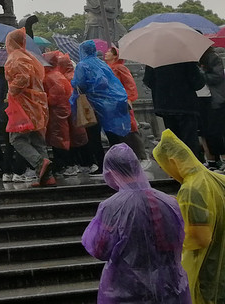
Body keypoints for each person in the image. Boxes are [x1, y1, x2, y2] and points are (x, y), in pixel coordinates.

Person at [82, 143, 189, 304]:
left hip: (127, 289)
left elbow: (99, 248)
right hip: (171, 286)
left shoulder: (111, 207)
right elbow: (180, 238)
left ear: (111, 173)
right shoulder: (169, 202)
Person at [153, 129, 225, 304]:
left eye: (164, 166)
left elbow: (199, 238)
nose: (168, 173)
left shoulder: (191, 189)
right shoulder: (212, 177)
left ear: (173, 161)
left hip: (208, 264)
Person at [70, 40, 131, 175]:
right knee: (112, 134)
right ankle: (120, 164)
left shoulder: (82, 65)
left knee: (94, 136)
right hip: (108, 103)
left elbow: (80, 83)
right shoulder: (102, 63)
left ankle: (102, 164)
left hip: (91, 104)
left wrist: (73, 83)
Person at [4, 28, 54, 187]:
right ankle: (48, 177)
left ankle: (40, 163)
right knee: (37, 139)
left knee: (17, 139)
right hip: (37, 103)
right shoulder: (30, 57)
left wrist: (11, 91)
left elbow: (22, 78)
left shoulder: (15, 58)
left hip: (23, 104)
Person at [144, 56, 206, 163]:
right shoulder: (184, 57)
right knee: (189, 139)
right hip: (185, 104)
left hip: (165, 105)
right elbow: (198, 83)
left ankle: (178, 167)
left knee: (174, 140)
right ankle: (192, 167)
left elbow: (148, 81)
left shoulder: (154, 58)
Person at [103, 44, 147, 161]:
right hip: (112, 104)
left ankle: (139, 155)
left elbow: (129, 84)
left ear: (115, 56)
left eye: (109, 52)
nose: (106, 53)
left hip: (121, 103)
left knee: (129, 129)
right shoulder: (108, 68)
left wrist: (128, 99)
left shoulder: (120, 68)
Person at [41, 52, 74, 177]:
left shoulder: (50, 77)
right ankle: (64, 164)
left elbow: (54, 97)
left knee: (58, 139)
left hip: (56, 112)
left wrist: (43, 100)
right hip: (62, 111)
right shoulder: (57, 75)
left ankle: (64, 165)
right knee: (61, 138)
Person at [199, 46, 225, 171]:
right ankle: (212, 160)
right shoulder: (192, 60)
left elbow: (217, 77)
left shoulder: (212, 57)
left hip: (214, 99)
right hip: (200, 99)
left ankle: (220, 158)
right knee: (205, 131)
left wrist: (200, 74)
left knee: (216, 131)